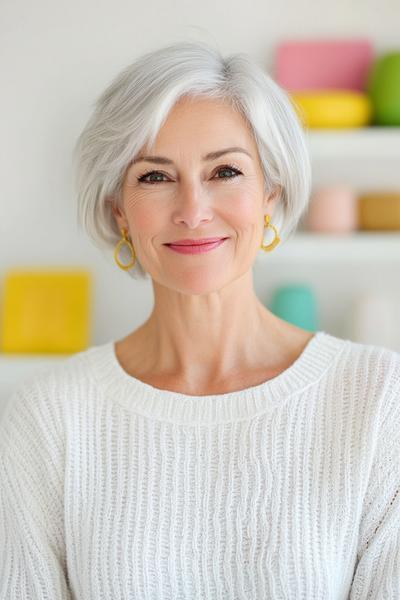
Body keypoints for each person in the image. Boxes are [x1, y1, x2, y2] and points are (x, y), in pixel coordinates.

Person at [1, 40, 399, 599]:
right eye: (155, 177)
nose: (192, 209)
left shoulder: (379, 401)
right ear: (120, 212)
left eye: (226, 171)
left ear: (270, 195)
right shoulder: (48, 419)